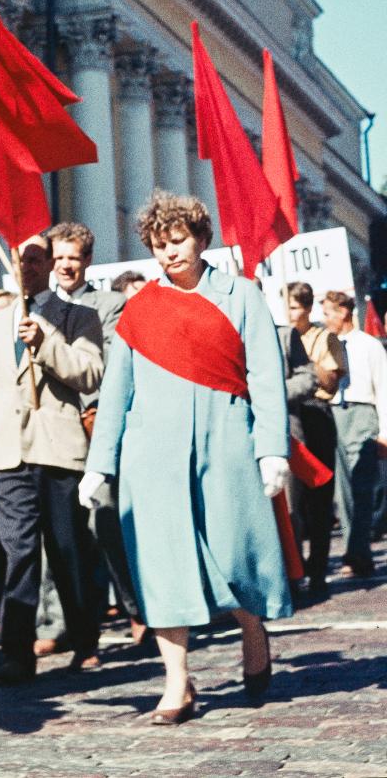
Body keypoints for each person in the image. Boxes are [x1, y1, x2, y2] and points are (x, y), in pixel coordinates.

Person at [81, 192, 292, 724]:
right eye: (158, 244)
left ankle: (252, 630)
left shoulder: (242, 295)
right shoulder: (140, 307)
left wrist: (271, 448)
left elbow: (266, 377)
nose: (169, 252)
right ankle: (177, 683)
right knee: (161, 562)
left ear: (200, 239)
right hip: (152, 454)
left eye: (178, 241)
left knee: (236, 550)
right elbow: (116, 393)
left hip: (227, 441)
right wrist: (99, 463)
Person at [0, 233, 104, 684]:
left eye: (37, 259)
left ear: (48, 264)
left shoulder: (79, 317)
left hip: (58, 451)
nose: (29, 267)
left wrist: (46, 341)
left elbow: (89, 373)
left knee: (67, 551)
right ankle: (17, 652)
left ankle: (85, 640)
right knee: (17, 552)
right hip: (6, 454)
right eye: (20, 259)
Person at [47, 222, 143, 649]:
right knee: (59, 530)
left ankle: (135, 608)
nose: (66, 265)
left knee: (105, 521)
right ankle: (61, 622)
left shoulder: (108, 305)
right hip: (51, 431)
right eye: (60, 257)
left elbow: (108, 366)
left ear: (87, 260)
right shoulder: (39, 307)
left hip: (94, 424)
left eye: (74, 257)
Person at [280, 281, 343, 601]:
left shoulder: (323, 337)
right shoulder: (274, 333)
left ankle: (317, 569)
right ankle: (295, 568)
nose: (292, 314)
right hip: (290, 419)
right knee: (293, 503)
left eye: (296, 307)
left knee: (318, 499)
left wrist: (305, 360)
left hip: (315, 416)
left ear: (306, 308)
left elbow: (330, 381)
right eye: (287, 306)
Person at [321, 290, 387, 578]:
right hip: (336, 414)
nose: (324, 320)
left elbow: (384, 387)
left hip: (363, 413)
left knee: (362, 489)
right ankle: (355, 552)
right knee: (343, 493)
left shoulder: (370, 345)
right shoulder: (327, 345)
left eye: (327, 313)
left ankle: (358, 552)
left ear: (343, 312)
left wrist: (384, 432)